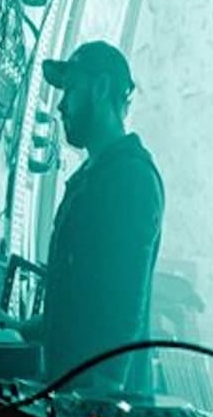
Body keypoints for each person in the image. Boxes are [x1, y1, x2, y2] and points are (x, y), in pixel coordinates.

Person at [32, 40, 165, 391]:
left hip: (99, 397)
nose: (61, 105)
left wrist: (106, 391)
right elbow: (80, 302)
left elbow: (124, 300)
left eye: (71, 89)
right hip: (70, 388)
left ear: (101, 87)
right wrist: (18, 327)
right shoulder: (94, 175)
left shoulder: (131, 177)